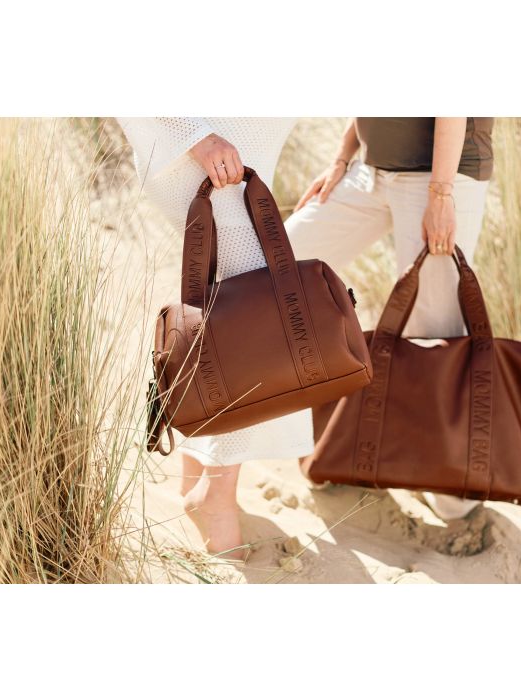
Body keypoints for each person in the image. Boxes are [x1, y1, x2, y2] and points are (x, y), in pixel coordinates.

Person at [117, 118, 313, 559]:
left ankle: (197, 474)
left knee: (222, 311)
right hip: (207, 147)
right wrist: (197, 137)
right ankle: (216, 496)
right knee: (253, 331)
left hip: (232, 150)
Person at [285, 117, 494, 521]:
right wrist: (342, 156)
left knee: (433, 337)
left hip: (438, 176)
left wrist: (441, 193)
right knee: (284, 267)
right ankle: (343, 443)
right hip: (371, 171)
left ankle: (454, 499)